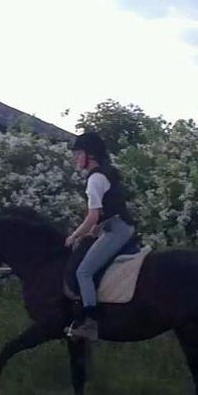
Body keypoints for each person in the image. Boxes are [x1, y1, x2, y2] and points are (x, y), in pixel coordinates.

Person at [64, 131, 136, 342]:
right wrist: (92, 232)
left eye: (78, 154)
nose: (76, 158)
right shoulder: (106, 173)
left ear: (90, 155)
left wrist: (74, 236)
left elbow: (93, 216)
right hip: (114, 226)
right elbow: (107, 211)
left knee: (83, 272)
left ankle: (90, 323)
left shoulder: (95, 179)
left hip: (116, 230)